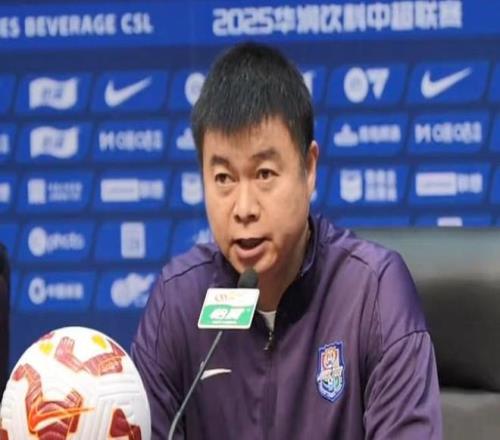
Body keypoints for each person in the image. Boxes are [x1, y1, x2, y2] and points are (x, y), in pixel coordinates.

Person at [131, 42, 442, 439]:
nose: (244, 208)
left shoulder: (372, 294)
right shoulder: (179, 301)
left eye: (264, 174)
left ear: (308, 168)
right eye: (224, 178)